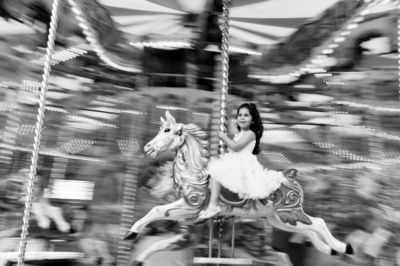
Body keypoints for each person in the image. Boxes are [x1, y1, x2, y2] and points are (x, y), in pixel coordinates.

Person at [197, 103, 286, 220]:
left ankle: (213, 205)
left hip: (243, 165)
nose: (242, 118)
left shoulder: (250, 134)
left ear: (253, 120)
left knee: (216, 173)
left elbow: (236, 147)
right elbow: (233, 149)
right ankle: (217, 202)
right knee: (213, 173)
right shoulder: (240, 134)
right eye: (240, 115)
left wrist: (223, 137)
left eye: (246, 115)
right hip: (236, 161)